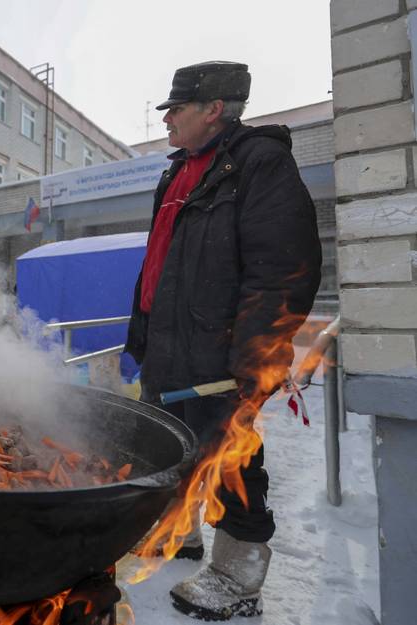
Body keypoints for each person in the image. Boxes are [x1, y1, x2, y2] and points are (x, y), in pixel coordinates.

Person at [124, 61, 321, 621]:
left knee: (232, 464)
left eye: (176, 109)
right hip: (168, 348)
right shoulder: (179, 171)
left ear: (213, 110)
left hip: (221, 356)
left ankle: (237, 575)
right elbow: (159, 264)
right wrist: (139, 335)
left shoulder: (260, 164)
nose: (167, 120)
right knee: (163, 446)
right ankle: (178, 534)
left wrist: (254, 357)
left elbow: (282, 271)